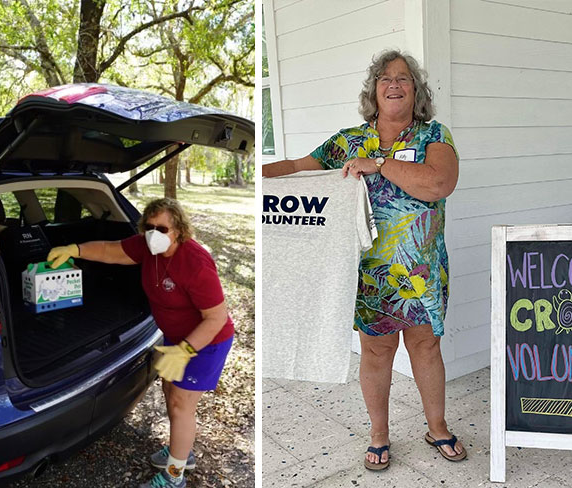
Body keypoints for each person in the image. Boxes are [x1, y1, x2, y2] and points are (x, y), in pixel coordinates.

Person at [262, 49, 466, 470]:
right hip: (368, 276)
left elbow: (439, 184)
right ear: (374, 90)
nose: (394, 84)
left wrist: (377, 164)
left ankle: (438, 426)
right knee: (375, 353)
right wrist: (254, 181)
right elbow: (299, 169)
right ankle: (379, 435)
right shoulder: (346, 142)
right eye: (385, 78)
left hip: (421, 270)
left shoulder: (433, 137)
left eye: (404, 78)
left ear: (417, 91)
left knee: (426, 348)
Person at [47, 198, 234, 488]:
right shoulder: (147, 248)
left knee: (181, 404)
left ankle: (174, 478)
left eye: (162, 228)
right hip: (176, 337)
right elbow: (110, 251)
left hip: (205, 341)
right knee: (170, 391)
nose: (153, 233)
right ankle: (181, 453)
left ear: (179, 231)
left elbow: (216, 318)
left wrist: (185, 351)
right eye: (149, 227)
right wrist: (76, 249)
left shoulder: (194, 262)